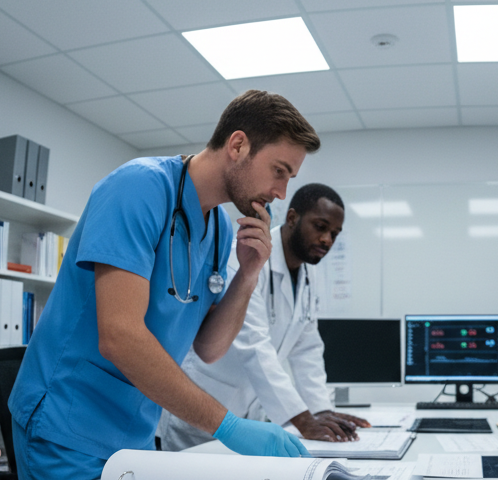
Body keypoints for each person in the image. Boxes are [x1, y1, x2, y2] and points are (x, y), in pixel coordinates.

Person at [9, 91, 320, 480]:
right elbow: (119, 335)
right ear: (238, 145)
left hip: (135, 437)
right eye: (279, 171)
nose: (281, 192)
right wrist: (226, 425)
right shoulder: (138, 188)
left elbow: (209, 348)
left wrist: (247, 274)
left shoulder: (222, 231)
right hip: (69, 428)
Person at [159, 183, 370, 450]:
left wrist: (321, 410)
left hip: (251, 414)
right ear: (292, 218)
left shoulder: (308, 275)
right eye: (320, 226)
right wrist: (302, 419)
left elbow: (307, 348)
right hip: (202, 410)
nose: (327, 239)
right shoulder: (246, 255)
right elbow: (253, 344)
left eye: (334, 233)